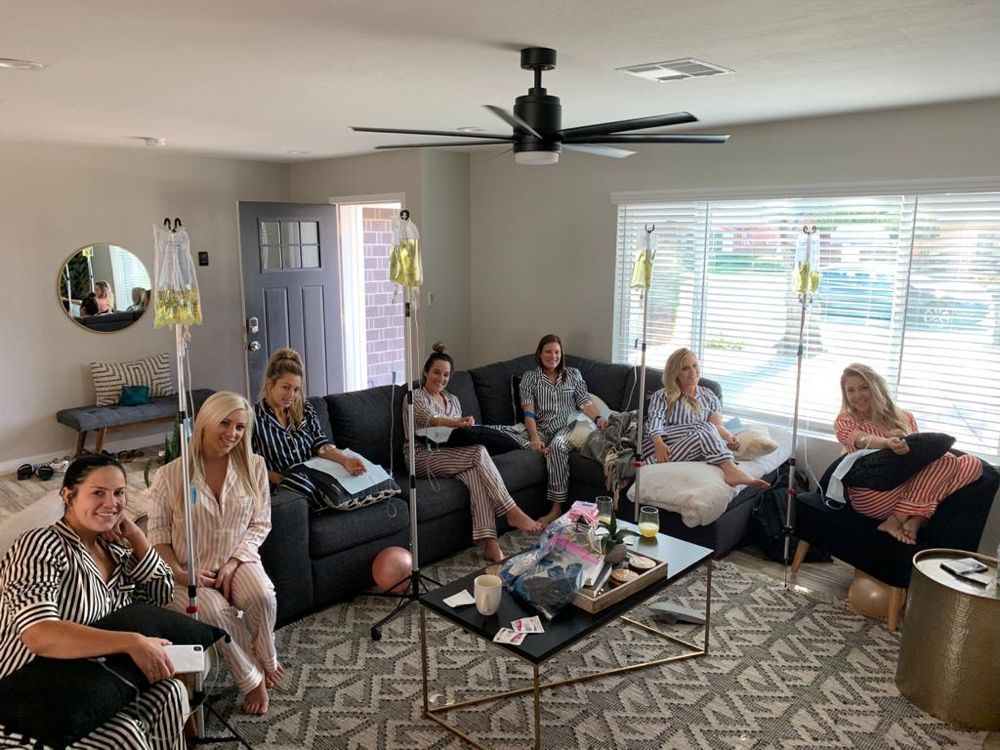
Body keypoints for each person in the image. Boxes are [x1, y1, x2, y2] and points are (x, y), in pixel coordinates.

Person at [0, 455, 187, 749]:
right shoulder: (41, 545)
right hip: (27, 689)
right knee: (123, 735)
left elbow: (162, 591)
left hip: (89, 679)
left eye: (119, 492)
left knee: (170, 692)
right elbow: (39, 633)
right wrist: (132, 642)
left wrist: (136, 535)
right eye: (98, 492)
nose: (111, 502)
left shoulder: (116, 551)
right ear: (68, 495)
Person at [148, 391, 283, 715]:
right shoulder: (169, 476)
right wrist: (182, 573)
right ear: (204, 422)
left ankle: (267, 656)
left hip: (238, 558)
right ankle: (252, 678)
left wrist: (236, 562)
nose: (232, 434)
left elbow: (260, 524)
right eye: (225, 423)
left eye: (240, 427)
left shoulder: (254, 467)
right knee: (213, 612)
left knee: (263, 596)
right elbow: (157, 538)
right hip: (183, 574)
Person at [405, 343, 542, 562]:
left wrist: (466, 428)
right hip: (423, 457)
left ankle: (490, 543)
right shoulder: (415, 397)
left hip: (450, 455)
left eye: (446, 374)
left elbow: (454, 438)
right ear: (425, 372)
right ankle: (510, 509)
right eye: (436, 373)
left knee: (475, 475)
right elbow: (431, 420)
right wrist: (456, 423)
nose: (441, 378)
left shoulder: (454, 400)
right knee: (478, 453)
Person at [834, 363, 982, 544]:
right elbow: (860, 439)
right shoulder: (846, 419)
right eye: (850, 391)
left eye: (863, 387)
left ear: (876, 387)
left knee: (972, 464)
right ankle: (902, 519)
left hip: (905, 489)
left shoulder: (905, 417)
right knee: (948, 460)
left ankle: (914, 519)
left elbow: (920, 462)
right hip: (871, 494)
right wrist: (887, 443)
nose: (857, 396)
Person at [251, 347, 366, 512]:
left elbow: (321, 445)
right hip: (282, 484)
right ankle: (337, 501)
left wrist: (345, 460)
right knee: (303, 484)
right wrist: (279, 479)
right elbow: (247, 462)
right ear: (270, 384)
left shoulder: (305, 409)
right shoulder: (253, 417)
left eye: (296, 389)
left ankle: (345, 497)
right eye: (286, 387)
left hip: (315, 474)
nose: (292, 394)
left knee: (356, 471)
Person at [642, 348, 770, 489]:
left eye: (695, 365)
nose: (693, 372)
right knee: (704, 427)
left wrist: (728, 436)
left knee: (706, 430)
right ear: (676, 373)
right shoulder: (662, 395)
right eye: (685, 368)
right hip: (659, 445)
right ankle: (732, 470)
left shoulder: (710, 396)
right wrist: (658, 443)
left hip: (690, 444)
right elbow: (655, 420)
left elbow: (716, 427)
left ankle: (647, 464)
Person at [515, 334, 607, 526]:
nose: (553, 356)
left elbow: (585, 403)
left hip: (567, 426)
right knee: (510, 434)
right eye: (548, 351)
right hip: (541, 428)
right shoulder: (530, 378)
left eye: (557, 352)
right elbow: (528, 411)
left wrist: (598, 419)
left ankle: (555, 509)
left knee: (557, 447)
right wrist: (534, 438)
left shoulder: (573, 374)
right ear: (540, 354)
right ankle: (539, 447)